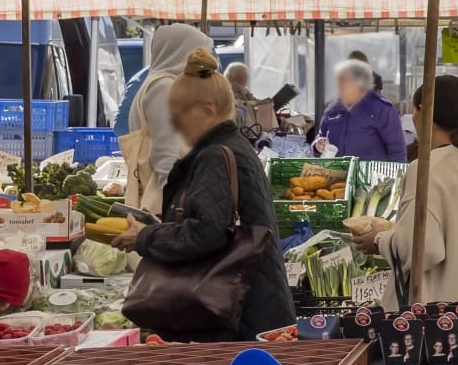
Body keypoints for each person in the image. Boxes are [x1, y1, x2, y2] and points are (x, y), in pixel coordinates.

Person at [111, 48, 292, 338]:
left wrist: (145, 237)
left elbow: (207, 233)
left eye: (180, 114)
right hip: (251, 304)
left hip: (233, 314)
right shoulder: (235, 146)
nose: (175, 124)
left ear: (207, 110)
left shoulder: (214, 157)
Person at [356, 75, 458, 306]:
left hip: (439, 317)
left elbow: (422, 249)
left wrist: (379, 240)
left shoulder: (425, 170)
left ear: (422, 112)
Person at [117, 22, 213, 216]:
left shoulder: (159, 84)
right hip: (163, 204)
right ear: (181, 52)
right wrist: (178, 201)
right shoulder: (164, 88)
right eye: (198, 53)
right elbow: (166, 154)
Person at [315, 59, 408, 162]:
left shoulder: (382, 109)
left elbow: (397, 151)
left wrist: (394, 177)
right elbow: (320, 136)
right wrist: (318, 144)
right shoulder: (332, 109)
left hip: (371, 176)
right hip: (337, 175)